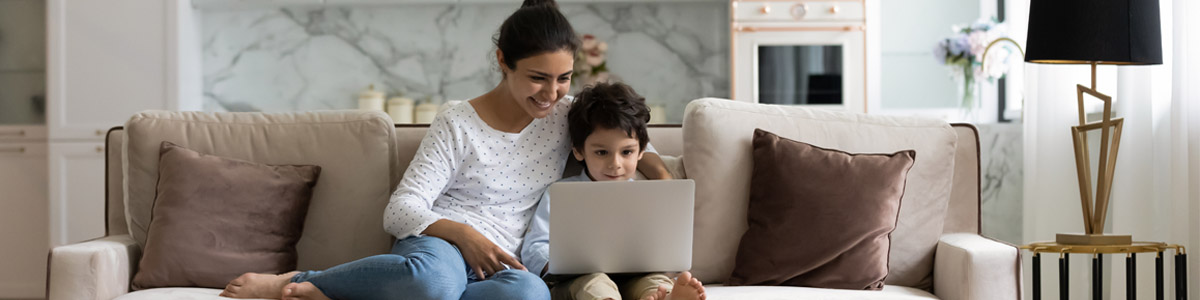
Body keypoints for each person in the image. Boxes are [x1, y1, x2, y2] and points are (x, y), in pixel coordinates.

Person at [218, 0, 673, 299]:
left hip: (504, 261)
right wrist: (464, 235)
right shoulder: (458, 120)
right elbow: (400, 210)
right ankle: (299, 283)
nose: (551, 93)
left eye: (563, 78)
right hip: (441, 245)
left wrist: (656, 171)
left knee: (530, 296)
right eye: (537, 77)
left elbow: (625, 141)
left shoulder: (565, 115)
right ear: (503, 62)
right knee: (430, 279)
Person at [521, 82, 706, 300]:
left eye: (626, 152)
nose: (615, 164)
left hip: (637, 276)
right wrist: (559, 263)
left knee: (655, 282)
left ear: (641, 152)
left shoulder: (650, 197)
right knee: (595, 284)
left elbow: (667, 246)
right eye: (602, 152)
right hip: (580, 279)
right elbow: (534, 247)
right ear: (579, 151)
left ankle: (662, 297)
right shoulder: (561, 193)